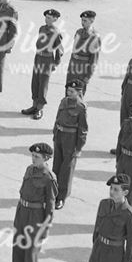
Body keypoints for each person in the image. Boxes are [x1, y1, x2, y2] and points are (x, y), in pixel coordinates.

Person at [0, 142, 57, 262]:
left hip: (36, 216)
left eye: (37, 157)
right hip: (22, 212)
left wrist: (45, 228)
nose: (33, 159)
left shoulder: (49, 178)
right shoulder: (29, 170)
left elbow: (50, 206)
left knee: (30, 252)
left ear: (46, 159)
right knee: (18, 248)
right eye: (32, 156)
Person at [52, 81, 88, 210]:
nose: (69, 93)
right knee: (56, 166)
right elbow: (57, 118)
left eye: (72, 91)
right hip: (60, 136)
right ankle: (53, 192)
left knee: (66, 170)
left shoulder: (80, 107)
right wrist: (55, 135)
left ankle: (61, 197)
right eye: (68, 90)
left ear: (79, 92)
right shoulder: (64, 101)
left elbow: (83, 129)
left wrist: (78, 148)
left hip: (71, 139)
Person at [21, 8, 63, 120]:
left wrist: (55, 63)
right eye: (46, 17)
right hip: (38, 57)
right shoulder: (42, 28)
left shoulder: (56, 32)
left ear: (55, 19)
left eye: (49, 18)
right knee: (35, 81)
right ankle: (34, 106)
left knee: (43, 84)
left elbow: (59, 49)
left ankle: (40, 109)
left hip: (47, 59)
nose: (47, 19)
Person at [66, 10, 101, 92]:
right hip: (73, 66)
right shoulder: (78, 32)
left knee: (78, 92)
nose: (82, 22)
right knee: (68, 90)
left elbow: (94, 59)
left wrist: (88, 76)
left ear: (92, 21)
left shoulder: (95, 36)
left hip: (83, 68)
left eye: (85, 20)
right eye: (82, 20)